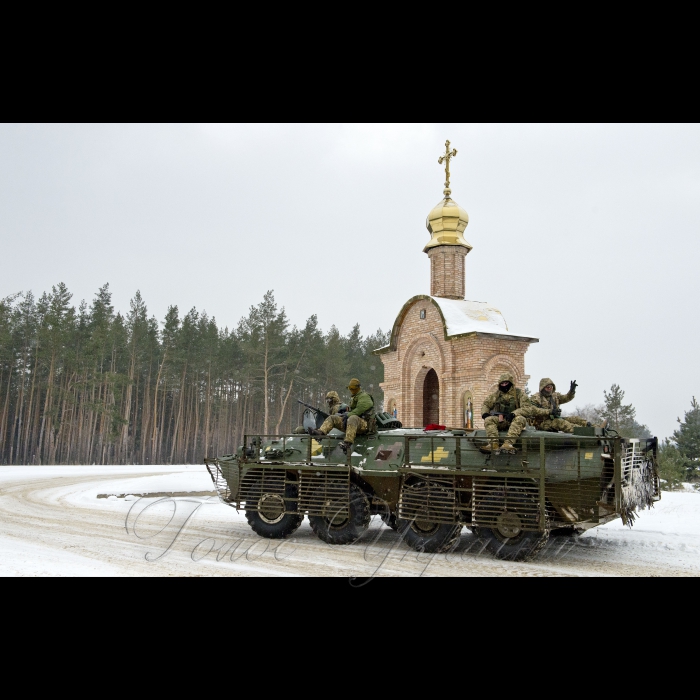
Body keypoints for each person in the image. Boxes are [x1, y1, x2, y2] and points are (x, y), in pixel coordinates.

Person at [308, 378, 375, 453]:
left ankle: (347, 443)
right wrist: (344, 415)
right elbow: (352, 411)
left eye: (353, 388)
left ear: (358, 388)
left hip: (365, 425)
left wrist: (349, 415)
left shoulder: (364, 396)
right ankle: (320, 433)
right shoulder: (354, 397)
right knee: (333, 418)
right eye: (350, 388)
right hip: (354, 423)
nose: (351, 390)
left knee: (352, 418)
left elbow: (362, 407)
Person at [480, 372, 529, 454]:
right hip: (501, 419)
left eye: (506, 383)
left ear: (510, 383)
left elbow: (527, 408)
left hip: (514, 420)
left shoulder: (519, 394)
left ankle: (508, 444)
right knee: (489, 420)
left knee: (520, 419)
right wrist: (485, 413)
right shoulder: (496, 395)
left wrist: (514, 414)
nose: (504, 385)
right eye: (502, 383)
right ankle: (493, 444)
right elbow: (486, 404)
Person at [527, 378, 594, 433]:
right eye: (548, 387)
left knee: (575, 419)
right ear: (542, 388)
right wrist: (550, 411)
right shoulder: (535, 398)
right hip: (542, 424)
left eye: (551, 387)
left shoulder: (555, 396)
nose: (550, 389)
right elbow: (533, 411)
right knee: (560, 422)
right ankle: (583, 432)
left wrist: (571, 391)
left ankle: (594, 428)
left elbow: (566, 398)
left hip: (554, 419)